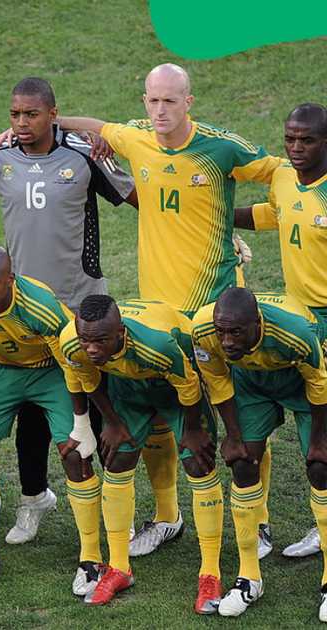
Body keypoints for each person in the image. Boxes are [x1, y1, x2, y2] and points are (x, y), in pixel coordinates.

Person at [55, 62, 283, 558]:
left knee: (239, 415)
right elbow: (96, 128)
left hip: (215, 306)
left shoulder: (221, 147)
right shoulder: (134, 137)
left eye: (170, 101)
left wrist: (248, 221)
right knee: (160, 413)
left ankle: (258, 520)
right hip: (157, 310)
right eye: (152, 101)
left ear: (188, 102)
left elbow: (281, 173)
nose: (160, 110)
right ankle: (166, 517)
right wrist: (47, 122)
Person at [0, 77, 136, 547]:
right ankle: (34, 498)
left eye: (31, 114)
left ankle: (108, 507)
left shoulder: (83, 155)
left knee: (90, 411)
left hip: (78, 304)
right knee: (31, 412)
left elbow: (136, 197)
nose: (21, 122)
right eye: (14, 114)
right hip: (20, 307)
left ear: (52, 113)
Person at [0, 245, 100, 595]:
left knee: (75, 452)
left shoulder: (40, 306)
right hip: (2, 369)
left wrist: (81, 423)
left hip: (51, 372)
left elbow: (72, 365)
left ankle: (91, 558)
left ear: (10, 280)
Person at [62, 296, 223, 611]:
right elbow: (88, 381)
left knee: (198, 462)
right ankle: (119, 567)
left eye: (100, 341)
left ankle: (211, 574)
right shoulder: (72, 341)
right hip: (129, 386)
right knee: (116, 458)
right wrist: (111, 422)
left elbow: (189, 386)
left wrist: (192, 430)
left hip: (177, 387)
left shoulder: (158, 344)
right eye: (86, 340)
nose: (91, 348)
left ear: (120, 332)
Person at [190, 288, 327, 618]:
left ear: (257, 323)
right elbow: (218, 381)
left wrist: (320, 441)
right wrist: (233, 437)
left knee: (321, 466)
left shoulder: (297, 333)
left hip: (300, 382)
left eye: (235, 332)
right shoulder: (203, 330)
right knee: (242, 462)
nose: (226, 341)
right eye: (221, 331)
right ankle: (249, 577)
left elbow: (320, 384)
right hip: (252, 383)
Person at [234, 103, 327, 559]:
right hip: (296, 314)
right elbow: (274, 214)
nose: (295, 148)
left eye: (306, 140)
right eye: (290, 139)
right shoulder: (286, 177)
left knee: (321, 435)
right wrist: (214, 218)